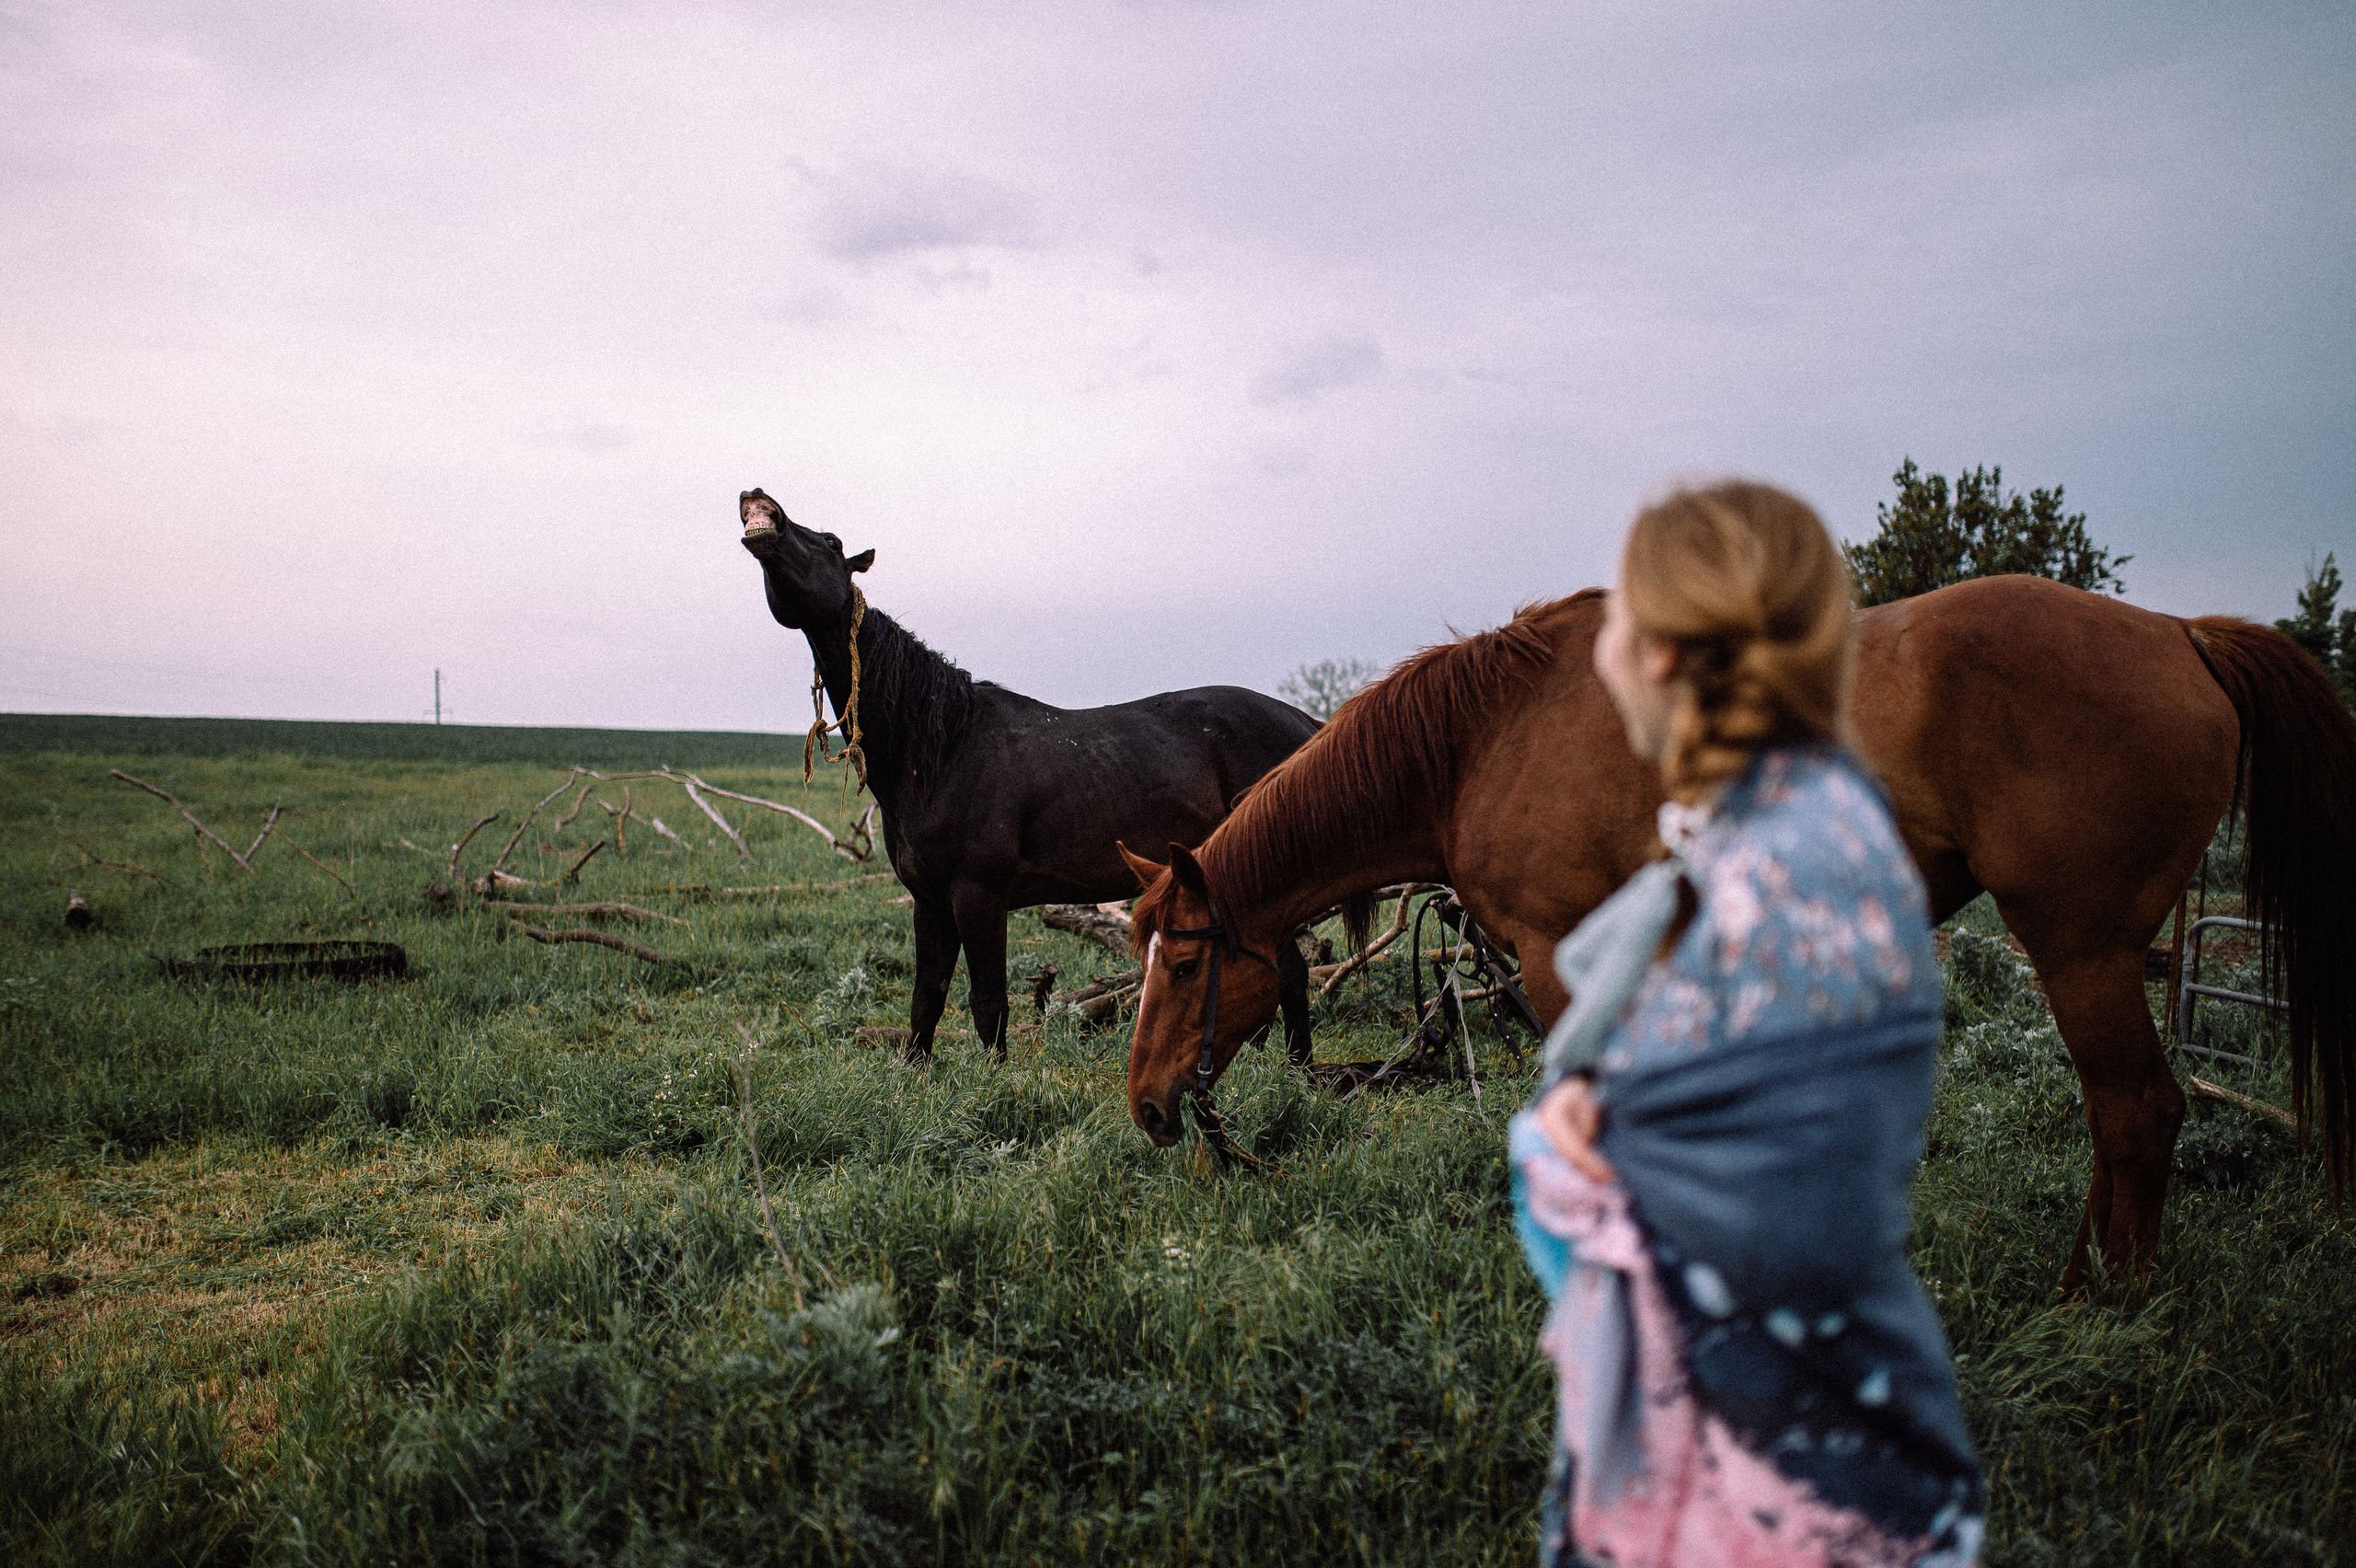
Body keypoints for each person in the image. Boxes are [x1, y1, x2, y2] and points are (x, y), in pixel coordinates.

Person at [1510, 482, 1982, 1567]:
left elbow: (1660, 1214)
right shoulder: (1823, 825)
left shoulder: (1766, 879)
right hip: (1842, 1438)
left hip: (1764, 1489)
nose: (1602, 649)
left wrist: (1551, 1145)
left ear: (1666, 655)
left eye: (1617, 620)